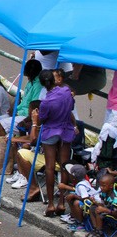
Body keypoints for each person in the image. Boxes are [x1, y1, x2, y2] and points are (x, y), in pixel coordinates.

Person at [38, 69, 76, 217]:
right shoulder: (66, 91)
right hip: (66, 130)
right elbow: (71, 107)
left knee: (50, 167)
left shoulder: (46, 102)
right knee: (64, 166)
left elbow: (42, 120)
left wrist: (35, 119)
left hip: (51, 132)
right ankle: (61, 202)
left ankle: (50, 204)